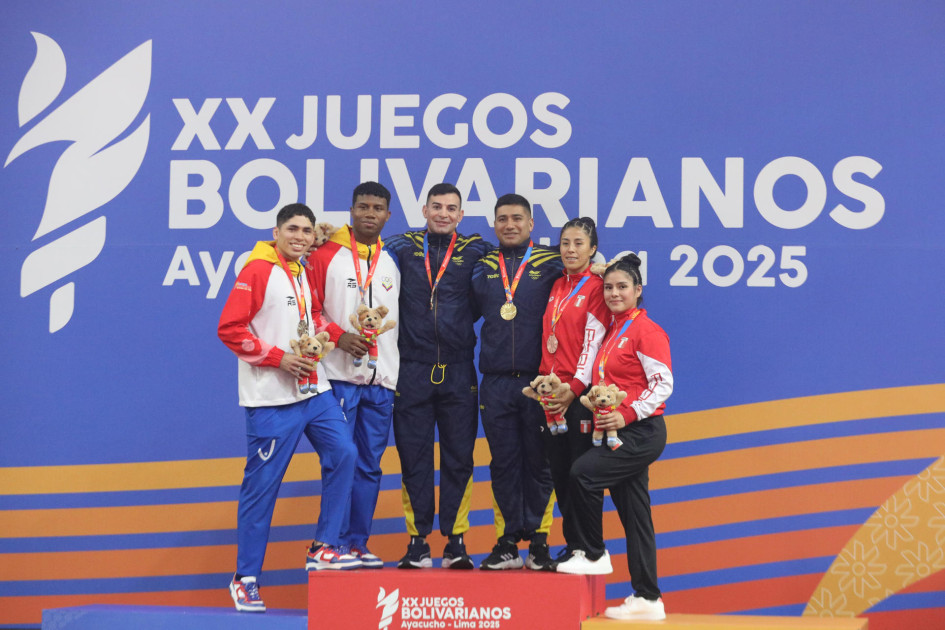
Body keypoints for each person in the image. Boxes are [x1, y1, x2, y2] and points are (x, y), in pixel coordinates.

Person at [218, 203, 358, 613]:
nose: (300, 236)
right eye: (292, 229)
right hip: (272, 398)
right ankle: (245, 579)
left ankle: (323, 547)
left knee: (344, 453)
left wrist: (341, 335)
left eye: (306, 231)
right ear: (276, 231)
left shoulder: (299, 269)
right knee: (263, 489)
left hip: (313, 388)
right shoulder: (257, 269)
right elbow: (230, 328)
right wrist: (277, 357)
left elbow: (312, 315)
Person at [555, 253, 672, 622]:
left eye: (623, 287)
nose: (614, 293)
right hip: (618, 431)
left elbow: (663, 383)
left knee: (582, 474)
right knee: (636, 513)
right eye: (608, 287)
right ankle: (648, 598)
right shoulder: (613, 329)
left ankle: (592, 552)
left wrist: (625, 414)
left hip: (641, 431)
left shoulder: (646, 331)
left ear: (638, 290)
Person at [385, 183, 493, 569]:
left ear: (461, 215)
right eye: (437, 207)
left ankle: (456, 541)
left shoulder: (477, 249)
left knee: (459, 457)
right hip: (411, 368)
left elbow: (517, 272)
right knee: (413, 458)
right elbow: (358, 259)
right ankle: (417, 542)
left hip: (458, 368)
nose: (444, 213)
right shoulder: (399, 246)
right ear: (424, 210)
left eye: (451, 208)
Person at [306, 181, 399, 568]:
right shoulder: (324, 254)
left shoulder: (390, 260)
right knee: (341, 460)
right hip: (339, 376)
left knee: (370, 465)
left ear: (387, 215)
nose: (370, 214)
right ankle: (330, 544)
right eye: (363, 206)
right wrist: (339, 337)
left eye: (378, 208)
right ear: (351, 209)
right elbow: (309, 310)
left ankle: (357, 542)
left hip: (382, 380)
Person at [470, 194, 563, 571]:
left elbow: (589, 276)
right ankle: (507, 541)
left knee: (541, 464)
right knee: (503, 462)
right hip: (494, 382)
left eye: (517, 218)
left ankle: (540, 543)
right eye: (503, 219)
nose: (510, 224)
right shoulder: (480, 266)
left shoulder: (551, 262)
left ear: (531, 224)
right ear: (494, 224)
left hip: (541, 382)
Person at [538, 217, 611, 563]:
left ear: (593, 249)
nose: (570, 249)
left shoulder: (597, 286)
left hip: (578, 397)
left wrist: (574, 388)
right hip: (552, 396)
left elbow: (592, 343)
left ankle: (589, 548)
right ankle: (574, 546)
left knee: (581, 475)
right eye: (565, 242)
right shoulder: (557, 285)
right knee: (560, 474)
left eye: (579, 243)